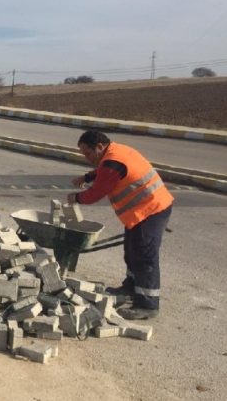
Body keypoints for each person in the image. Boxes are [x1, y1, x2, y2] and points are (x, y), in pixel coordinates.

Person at [67, 130, 173, 320]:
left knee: (144, 255)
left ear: (99, 147)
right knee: (131, 251)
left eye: (88, 153)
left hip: (151, 210)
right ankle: (131, 287)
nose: (86, 158)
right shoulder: (114, 152)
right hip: (142, 211)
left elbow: (96, 193)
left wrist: (76, 198)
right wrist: (87, 177)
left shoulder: (113, 162)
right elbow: (102, 170)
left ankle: (148, 304)